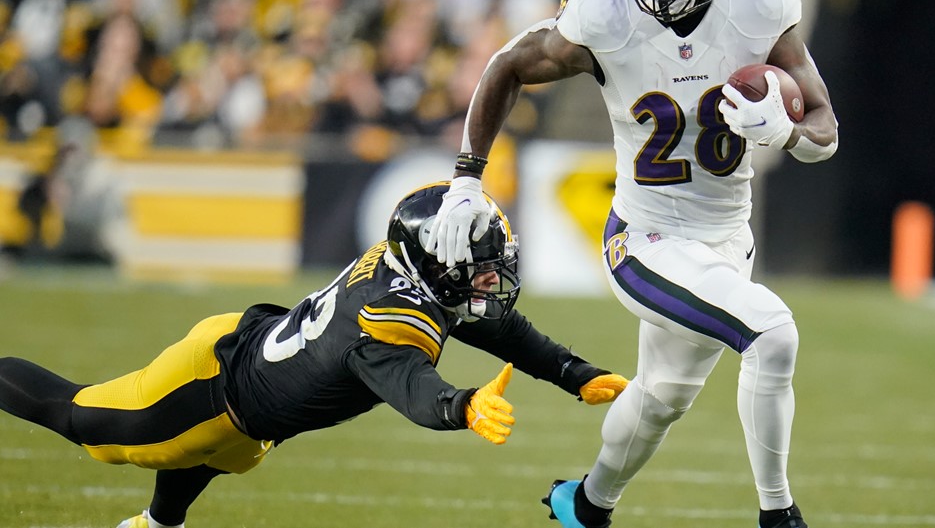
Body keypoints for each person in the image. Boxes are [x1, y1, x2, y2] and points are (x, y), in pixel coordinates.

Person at [425, 0, 838, 527]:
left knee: (662, 397)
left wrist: (784, 134)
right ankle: (779, 517)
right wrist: (466, 178)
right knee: (772, 332)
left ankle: (585, 504)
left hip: (727, 239)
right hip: (645, 240)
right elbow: (508, 65)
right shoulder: (605, 17)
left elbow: (824, 130)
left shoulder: (758, 9)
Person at [0, 182, 629, 528]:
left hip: (253, 378)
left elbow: (494, 328)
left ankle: (158, 526)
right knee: (88, 423)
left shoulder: (411, 275)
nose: (491, 284)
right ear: (435, 268)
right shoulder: (386, 319)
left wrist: (575, 373)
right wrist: (462, 406)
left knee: (220, 456)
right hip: (214, 385)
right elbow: (410, 387)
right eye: (479, 273)